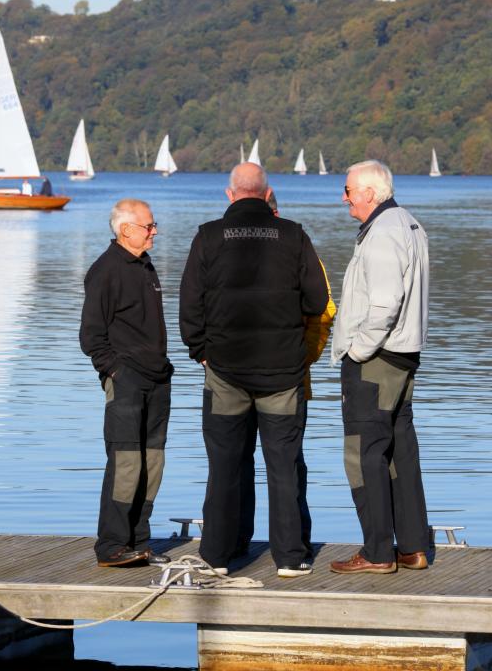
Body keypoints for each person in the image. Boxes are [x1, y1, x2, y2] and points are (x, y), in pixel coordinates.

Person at [180, 162, 329, 578]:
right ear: (267, 195)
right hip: (282, 372)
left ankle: (218, 556)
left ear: (230, 195)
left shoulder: (208, 236)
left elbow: (189, 302)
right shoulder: (294, 235)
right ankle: (291, 557)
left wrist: (201, 351)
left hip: (225, 369)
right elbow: (318, 301)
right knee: (283, 466)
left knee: (225, 464)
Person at [330, 160, 430, 574]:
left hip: (377, 358)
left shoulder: (383, 234)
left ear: (370, 193)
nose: (345, 197)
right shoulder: (409, 224)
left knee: (364, 451)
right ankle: (412, 547)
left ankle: (376, 552)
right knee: (399, 451)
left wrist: (358, 350)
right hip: (404, 356)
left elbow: (385, 304)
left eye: (349, 189)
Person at [236, 191, 336, 559]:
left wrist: (304, 358)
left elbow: (323, 311)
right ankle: (239, 539)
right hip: (239, 376)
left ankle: (293, 544)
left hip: (286, 376)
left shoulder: (298, 248)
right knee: (241, 461)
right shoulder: (229, 250)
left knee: (286, 463)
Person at [79, 199, 173, 567]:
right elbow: (91, 336)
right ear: (126, 230)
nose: (155, 231)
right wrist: (116, 372)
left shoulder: (145, 265)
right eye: (149, 226)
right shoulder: (105, 270)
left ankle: (138, 538)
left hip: (158, 378)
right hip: (127, 380)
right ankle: (112, 545)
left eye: (153, 225)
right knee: (126, 462)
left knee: (153, 462)